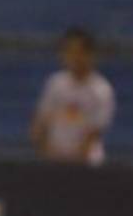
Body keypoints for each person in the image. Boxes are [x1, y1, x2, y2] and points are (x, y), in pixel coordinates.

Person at [30, 27, 115, 166]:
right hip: (53, 159)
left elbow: (94, 134)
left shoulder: (102, 90)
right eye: (69, 51)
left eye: (79, 52)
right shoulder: (55, 83)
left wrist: (74, 160)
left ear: (90, 54)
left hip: (86, 163)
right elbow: (40, 122)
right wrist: (46, 151)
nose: (74, 57)